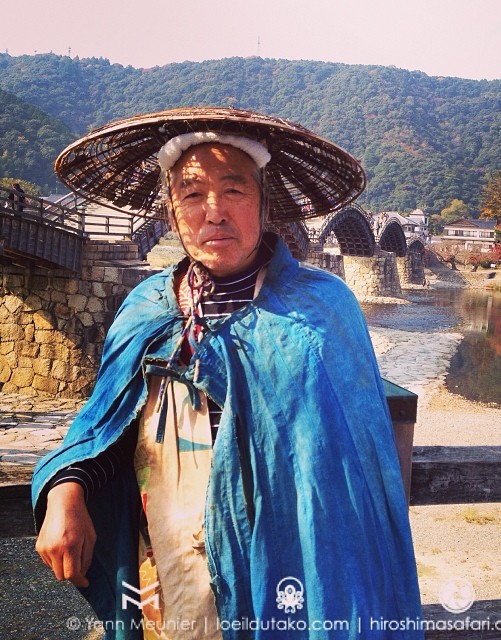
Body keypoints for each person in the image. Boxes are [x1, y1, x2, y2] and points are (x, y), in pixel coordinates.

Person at [33, 108, 423, 639]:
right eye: (192, 194)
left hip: (290, 563)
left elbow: (348, 470)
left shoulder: (322, 308)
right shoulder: (148, 306)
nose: (213, 212)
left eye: (233, 190)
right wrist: (67, 490)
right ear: (171, 214)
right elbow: (108, 425)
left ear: (264, 206)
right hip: (170, 566)